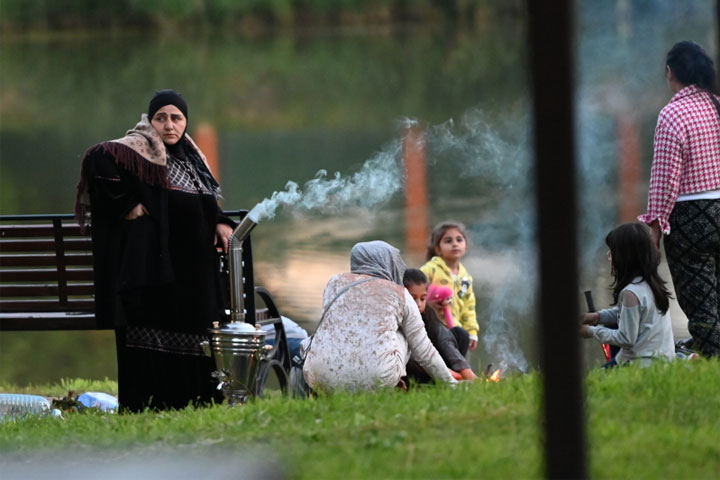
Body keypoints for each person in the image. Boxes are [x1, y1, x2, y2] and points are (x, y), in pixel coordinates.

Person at [75, 89, 234, 412]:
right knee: (151, 330)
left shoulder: (192, 157)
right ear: (150, 121)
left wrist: (219, 221)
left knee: (196, 332)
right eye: (161, 118)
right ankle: (150, 402)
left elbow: (204, 200)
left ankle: (196, 400)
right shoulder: (136, 149)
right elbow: (97, 158)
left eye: (176, 118)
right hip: (153, 272)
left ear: (185, 122)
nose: (169, 125)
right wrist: (126, 205)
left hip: (191, 272)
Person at [638, 41, 720, 357]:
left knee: (702, 304)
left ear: (670, 73)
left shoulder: (673, 113)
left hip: (691, 218)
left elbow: (664, 180)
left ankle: (713, 363)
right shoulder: (717, 104)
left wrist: (655, 231)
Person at [301, 241, 457, 392]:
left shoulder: (334, 283)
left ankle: (323, 386)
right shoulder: (399, 292)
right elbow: (424, 349)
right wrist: (451, 384)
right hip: (378, 379)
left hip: (318, 378)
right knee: (403, 333)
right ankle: (395, 384)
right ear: (388, 261)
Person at [579, 223, 675, 366]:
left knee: (596, 380)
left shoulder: (630, 293)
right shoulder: (651, 283)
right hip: (665, 359)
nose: (608, 255)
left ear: (625, 257)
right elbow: (630, 314)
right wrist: (597, 317)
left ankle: (617, 368)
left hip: (643, 365)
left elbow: (626, 338)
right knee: (611, 324)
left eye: (612, 251)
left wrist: (591, 331)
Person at [403, 269, 477, 381]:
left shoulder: (427, 312)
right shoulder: (397, 317)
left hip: (435, 359)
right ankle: (446, 378)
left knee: (459, 334)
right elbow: (412, 355)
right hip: (416, 365)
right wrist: (447, 373)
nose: (418, 304)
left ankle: (455, 376)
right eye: (413, 299)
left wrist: (465, 370)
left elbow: (444, 340)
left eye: (422, 299)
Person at [421, 221, 479, 351]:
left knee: (458, 354)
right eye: (448, 241)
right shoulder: (430, 269)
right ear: (438, 249)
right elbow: (415, 292)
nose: (455, 244)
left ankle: (459, 370)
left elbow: (468, 308)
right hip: (432, 327)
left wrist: (472, 332)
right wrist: (430, 302)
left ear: (465, 246)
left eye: (459, 240)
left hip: (455, 328)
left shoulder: (466, 278)